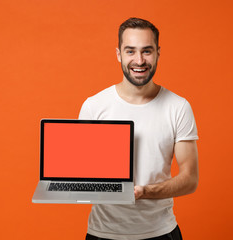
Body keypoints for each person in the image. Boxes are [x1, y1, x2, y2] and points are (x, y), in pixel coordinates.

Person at [79, 17, 199, 240]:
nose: (139, 60)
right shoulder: (94, 106)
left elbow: (190, 179)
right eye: (130, 51)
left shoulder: (178, 107)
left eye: (147, 51)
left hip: (161, 233)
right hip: (103, 233)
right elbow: (83, 172)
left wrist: (145, 192)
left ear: (158, 53)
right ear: (118, 55)